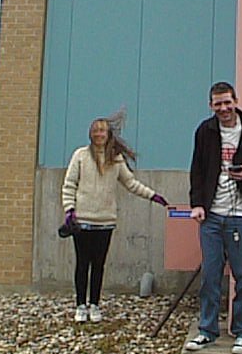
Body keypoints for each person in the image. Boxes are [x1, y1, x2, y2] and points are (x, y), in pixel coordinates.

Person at [185, 82, 242, 354]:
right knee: (210, 276)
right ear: (211, 106)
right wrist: (198, 204)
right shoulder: (205, 131)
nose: (223, 108)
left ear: (236, 101)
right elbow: (197, 171)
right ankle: (207, 330)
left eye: (227, 102)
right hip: (212, 215)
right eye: (218, 104)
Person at [62, 112, 168, 323]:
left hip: (105, 222)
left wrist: (152, 196)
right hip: (82, 222)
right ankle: (80, 305)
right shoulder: (80, 156)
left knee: (99, 265)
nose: (99, 134)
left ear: (108, 133)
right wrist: (69, 210)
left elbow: (131, 183)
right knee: (82, 264)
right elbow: (69, 184)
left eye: (102, 130)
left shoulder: (115, 159)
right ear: (90, 134)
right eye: (95, 130)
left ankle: (95, 305)